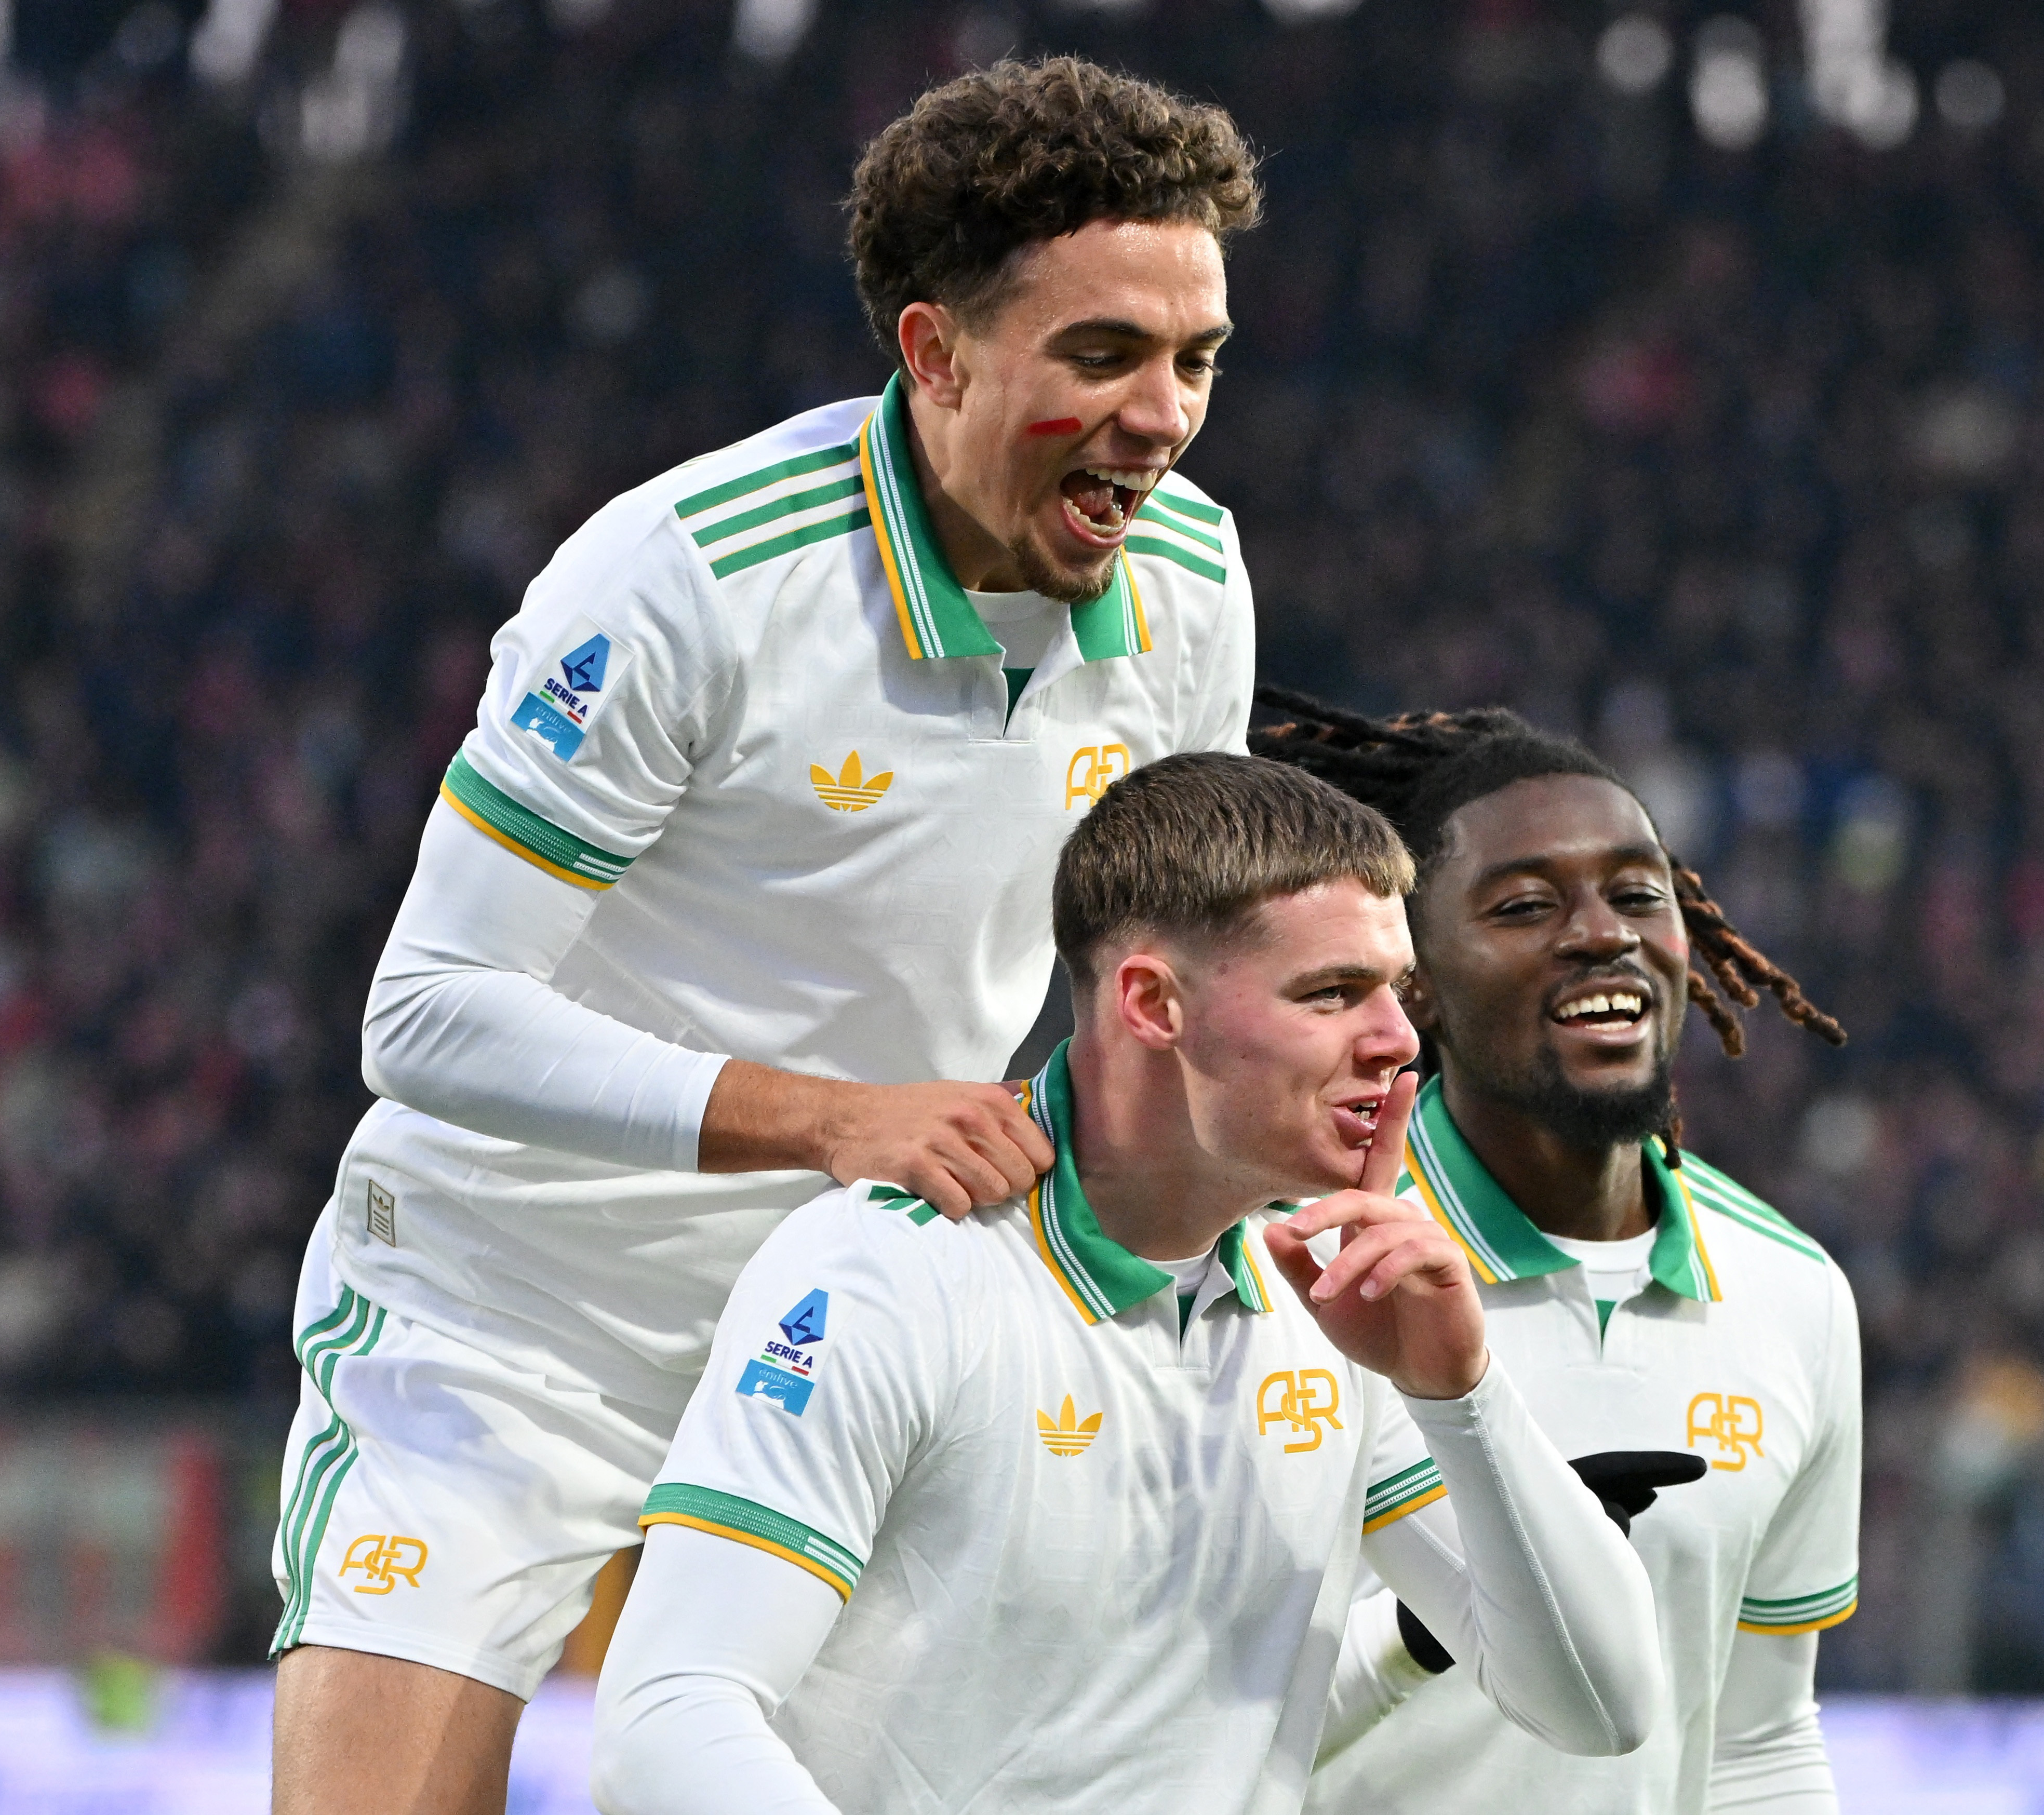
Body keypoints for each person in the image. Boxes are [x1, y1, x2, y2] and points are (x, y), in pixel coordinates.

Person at [270, 59, 1263, 1813]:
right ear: (935, 351)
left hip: (860, 1319)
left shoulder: (1190, 575)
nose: (1162, 415)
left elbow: (1170, 991)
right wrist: (831, 1117)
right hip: (515, 1321)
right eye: (1103, 354)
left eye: (1195, 358)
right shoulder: (690, 578)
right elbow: (426, 1014)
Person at [587, 753, 1663, 1813]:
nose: (1394, 1039)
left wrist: (1459, 1393)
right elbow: (667, 1722)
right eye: (1333, 993)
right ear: (1153, 1002)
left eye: (1398, 990)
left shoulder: (1331, 1294)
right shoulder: (890, 1270)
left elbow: (1601, 1708)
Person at [1254, 692, 1859, 1815]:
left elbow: (1758, 1739)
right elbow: (1180, 1729)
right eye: (1526, 905)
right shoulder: (1289, 1263)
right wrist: (1458, 1618)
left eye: (1639, 893)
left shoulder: (1794, 1291)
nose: (1601, 932)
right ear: (1416, 978)